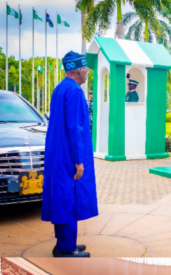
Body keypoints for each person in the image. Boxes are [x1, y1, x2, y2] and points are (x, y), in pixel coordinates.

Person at [42, 51, 97, 258]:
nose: (87, 74)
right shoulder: (74, 91)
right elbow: (75, 128)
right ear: (80, 70)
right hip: (68, 156)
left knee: (61, 197)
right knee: (68, 199)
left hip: (58, 154)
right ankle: (66, 249)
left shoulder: (60, 88)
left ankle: (64, 242)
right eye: (86, 70)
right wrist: (79, 161)